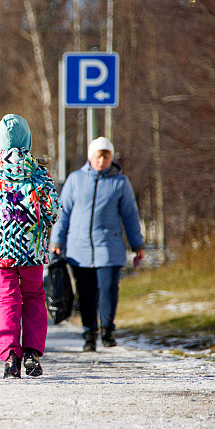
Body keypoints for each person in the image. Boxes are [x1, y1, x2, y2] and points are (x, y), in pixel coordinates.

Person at [0, 114, 60, 378]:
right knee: (34, 298)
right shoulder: (39, 172)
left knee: (8, 300)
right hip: (32, 248)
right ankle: (32, 352)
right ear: (27, 141)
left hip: (0, 252)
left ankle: (10, 357)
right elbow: (53, 211)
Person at [50, 136, 145, 352]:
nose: (102, 160)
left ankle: (107, 330)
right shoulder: (75, 180)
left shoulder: (120, 183)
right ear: (91, 157)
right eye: (99, 156)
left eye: (107, 156)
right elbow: (62, 213)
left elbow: (130, 216)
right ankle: (89, 334)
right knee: (86, 292)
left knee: (109, 289)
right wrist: (57, 240)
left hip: (109, 247)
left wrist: (137, 244)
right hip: (78, 248)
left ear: (111, 158)